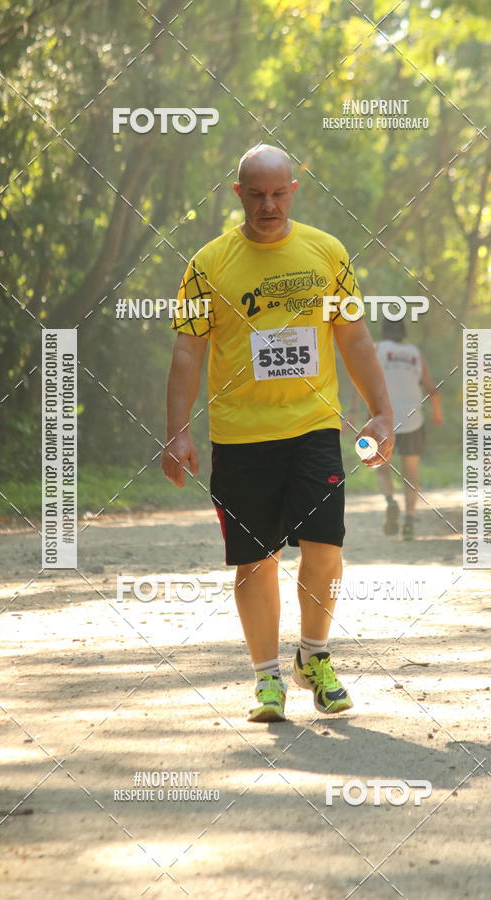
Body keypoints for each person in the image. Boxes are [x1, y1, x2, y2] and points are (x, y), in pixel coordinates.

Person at [161, 144, 394, 722]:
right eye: (256, 195)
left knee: (326, 547)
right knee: (255, 559)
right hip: (241, 435)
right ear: (238, 194)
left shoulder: (327, 253)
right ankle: (267, 679)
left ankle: (314, 657)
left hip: (313, 426)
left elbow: (354, 337)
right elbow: (188, 350)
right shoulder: (208, 264)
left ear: (294, 190)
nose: (268, 205)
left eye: (278, 193)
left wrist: (382, 412)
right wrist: (176, 432)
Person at [349, 318, 443, 540]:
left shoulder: (376, 349)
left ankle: (391, 502)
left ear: (383, 331)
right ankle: (409, 521)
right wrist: (437, 413)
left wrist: (352, 411)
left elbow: (360, 382)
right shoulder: (415, 353)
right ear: (404, 332)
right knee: (410, 472)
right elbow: (432, 390)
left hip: (381, 419)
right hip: (413, 420)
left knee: (382, 466)